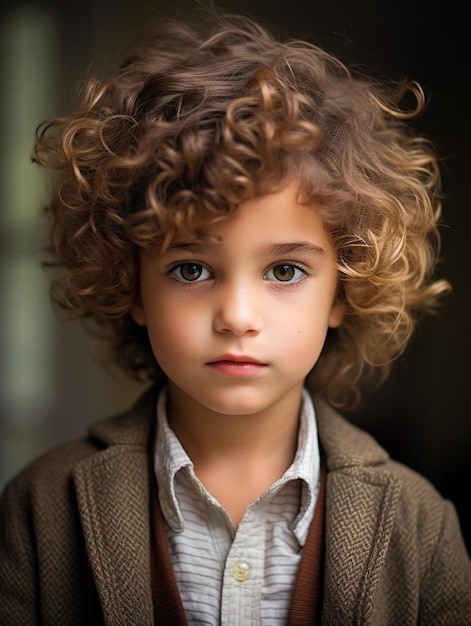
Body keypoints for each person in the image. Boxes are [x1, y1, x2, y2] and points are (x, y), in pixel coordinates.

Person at [0, 9, 470, 625]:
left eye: (284, 271)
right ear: (131, 282)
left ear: (342, 292)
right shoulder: (43, 505)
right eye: (191, 269)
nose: (238, 317)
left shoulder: (421, 523)